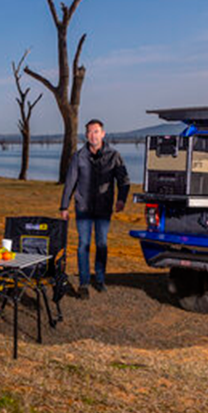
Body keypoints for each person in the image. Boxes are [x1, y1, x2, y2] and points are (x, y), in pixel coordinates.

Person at [59, 118, 130, 296]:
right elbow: (70, 182)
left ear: (103, 134)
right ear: (86, 135)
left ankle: (99, 279)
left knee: (102, 244)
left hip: (103, 208)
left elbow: (124, 181)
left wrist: (121, 199)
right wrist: (64, 206)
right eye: (90, 132)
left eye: (96, 131)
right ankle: (84, 282)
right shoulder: (78, 156)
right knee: (83, 244)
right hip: (83, 208)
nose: (93, 135)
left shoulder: (114, 156)